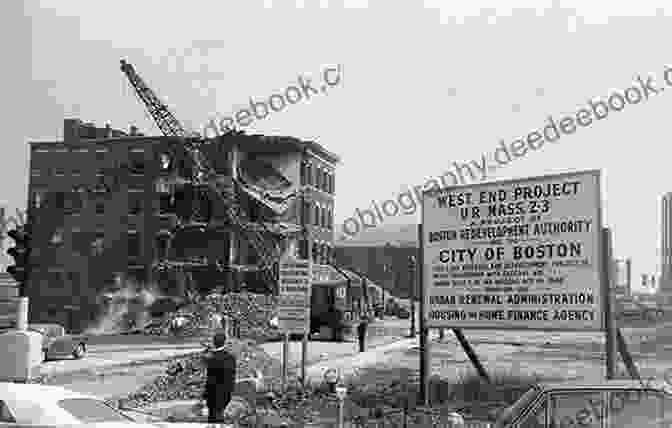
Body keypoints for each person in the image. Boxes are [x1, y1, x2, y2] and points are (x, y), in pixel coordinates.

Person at [201, 331, 237, 423]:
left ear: (214, 342)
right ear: (225, 342)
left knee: (213, 418)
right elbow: (232, 378)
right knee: (220, 417)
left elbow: (209, 379)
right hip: (225, 393)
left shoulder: (211, 359)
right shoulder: (231, 358)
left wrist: (205, 395)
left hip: (212, 395)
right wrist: (230, 392)